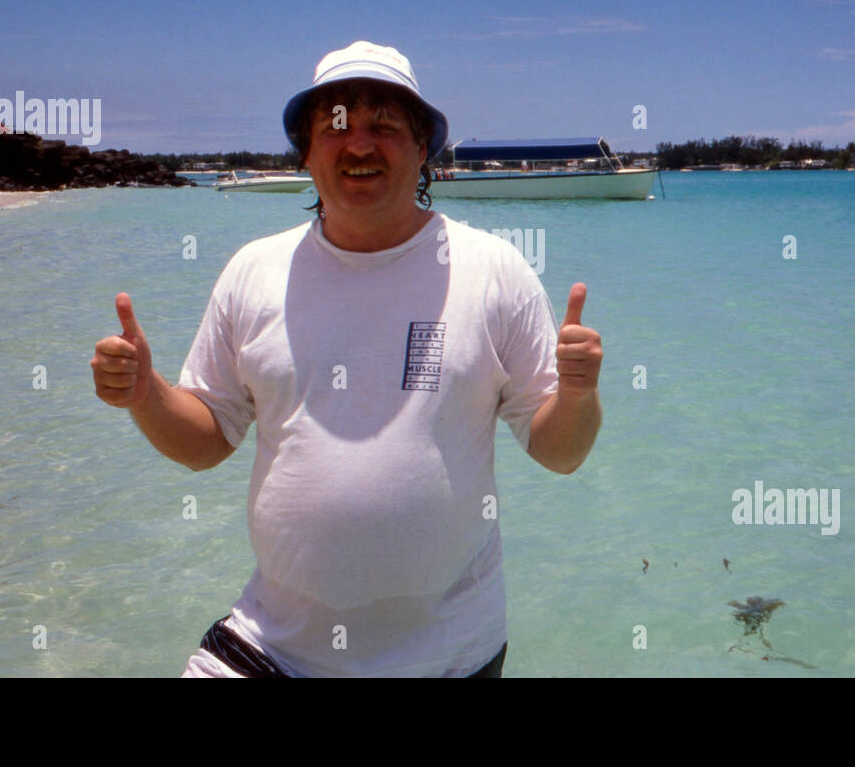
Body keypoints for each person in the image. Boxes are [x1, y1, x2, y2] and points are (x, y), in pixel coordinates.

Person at [90, 41, 603, 677]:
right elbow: (206, 442)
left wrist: (579, 395)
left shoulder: (493, 270)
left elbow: (560, 452)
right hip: (270, 647)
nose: (358, 144)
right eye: (335, 125)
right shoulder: (255, 271)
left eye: (384, 126)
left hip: (449, 657)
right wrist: (146, 394)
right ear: (305, 151)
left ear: (422, 151)